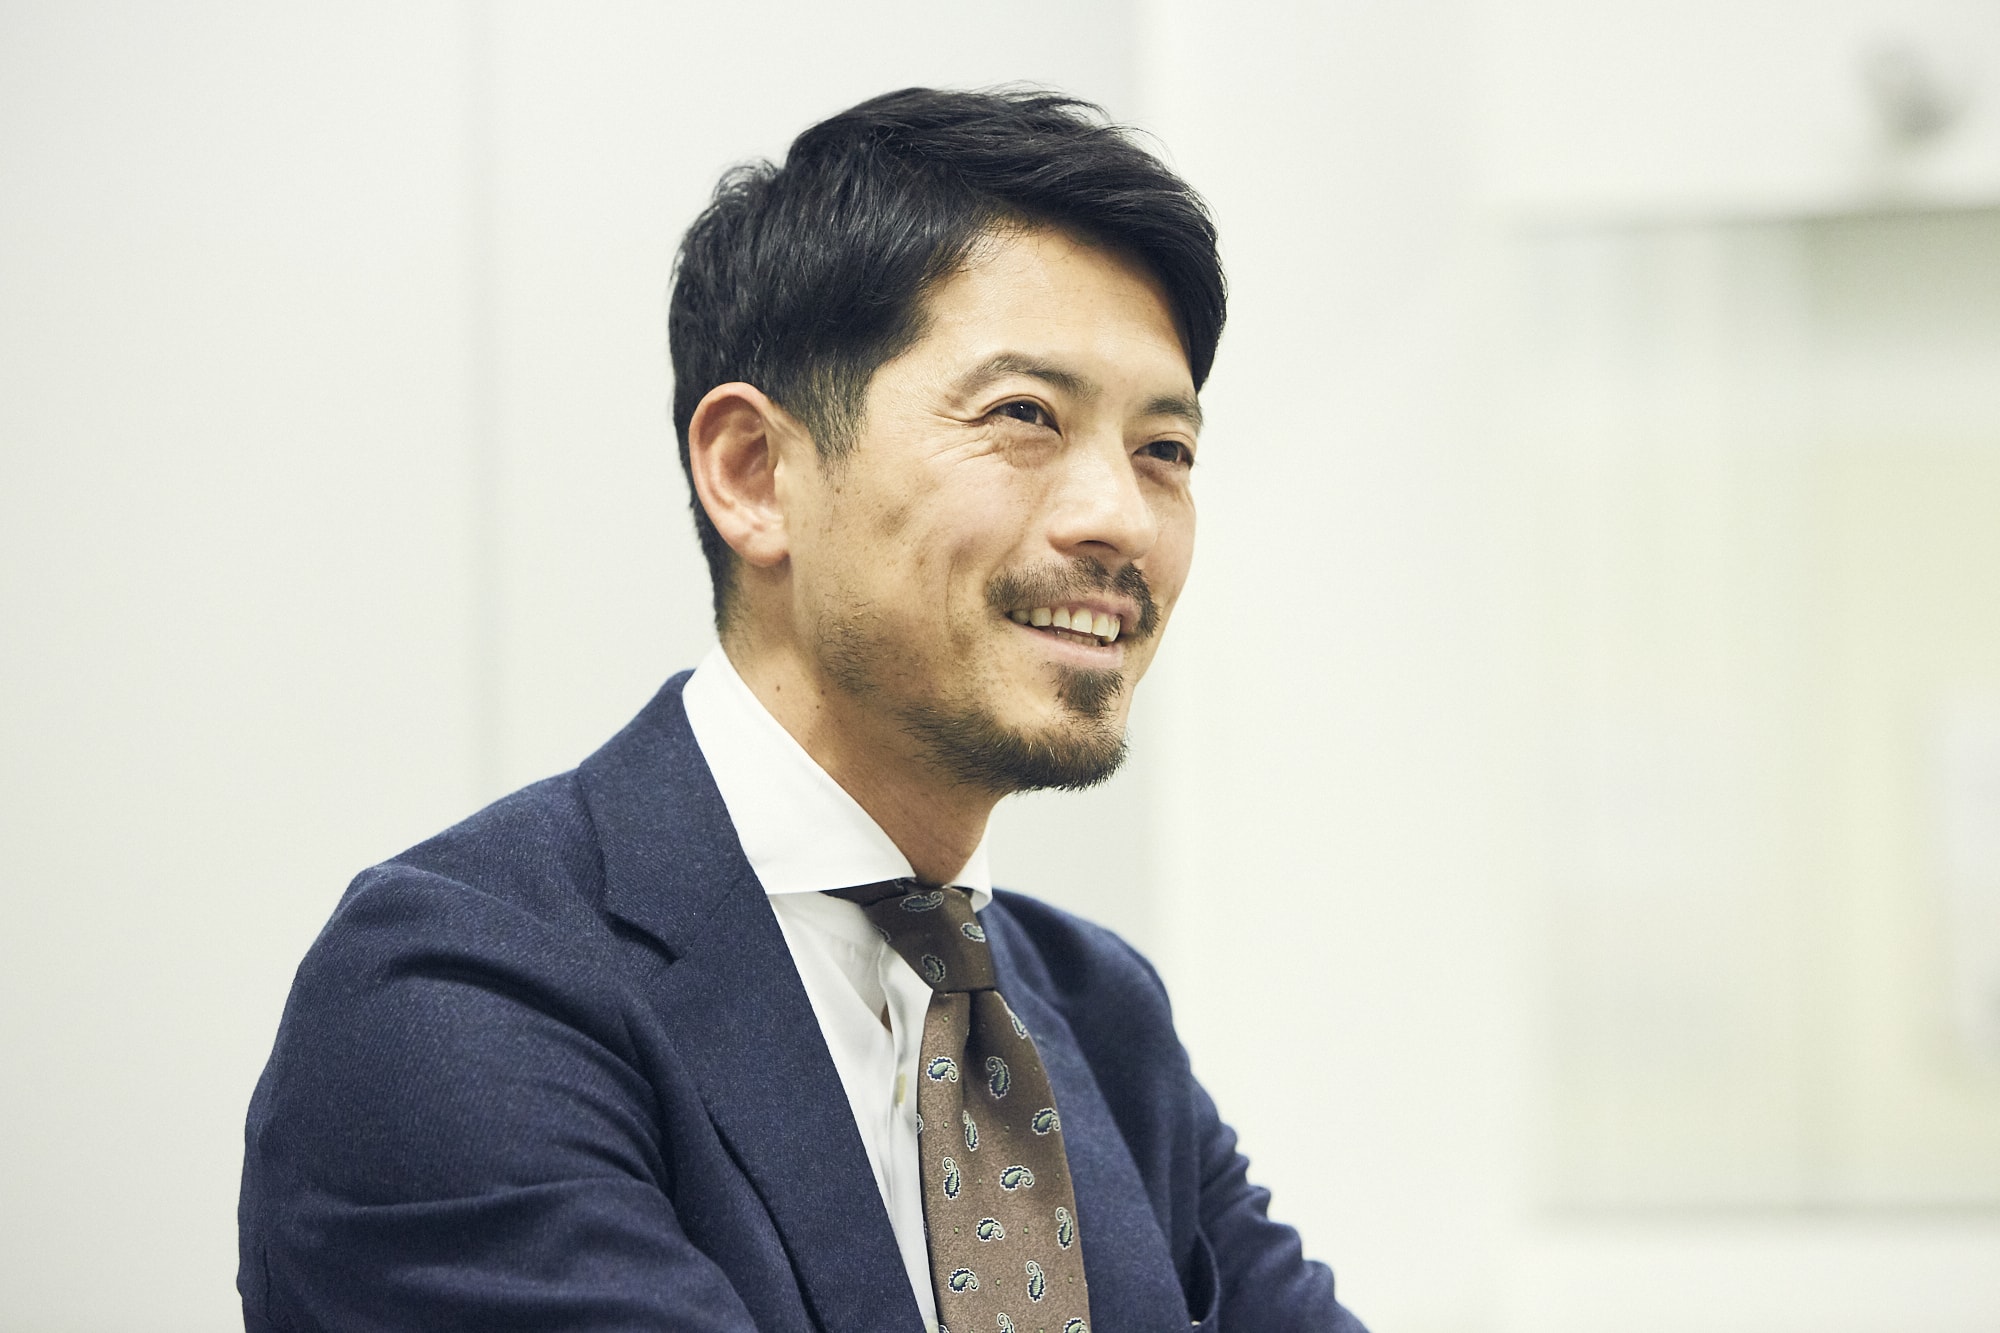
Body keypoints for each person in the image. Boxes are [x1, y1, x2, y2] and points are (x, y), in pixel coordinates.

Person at [238, 86, 1366, 1333]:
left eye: (1164, 451)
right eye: (1023, 417)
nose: (1119, 517)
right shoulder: (460, 993)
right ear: (754, 473)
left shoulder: (1101, 1013)